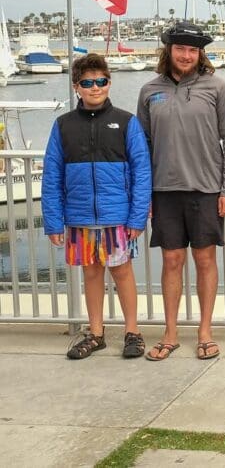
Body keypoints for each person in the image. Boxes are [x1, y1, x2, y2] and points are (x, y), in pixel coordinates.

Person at [137, 22, 225, 361]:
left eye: (192, 50)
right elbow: (142, 146)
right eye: (180, 48)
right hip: (163, 191)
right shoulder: (149, 90)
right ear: (168, 50)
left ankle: (205, 332)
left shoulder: (218, 88)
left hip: (207, 189)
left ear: (200, 54)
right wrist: (143, 195)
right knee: (171, 260)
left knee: (205, 259)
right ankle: (170, 333)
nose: (185, 55)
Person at [43, 54, 151, 359]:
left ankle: (133, 331)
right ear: (77, 86)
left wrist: (137, 217)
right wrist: (53, 221)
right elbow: (52, 174)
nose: (95, 88)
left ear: (109, 83)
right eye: (88, 83)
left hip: (118, 217)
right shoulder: (62, 125)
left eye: (101, 81)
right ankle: (96, 332)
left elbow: (142, 172)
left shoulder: (127, 122)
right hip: (78, 218)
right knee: (91, 274)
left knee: (122, 272)